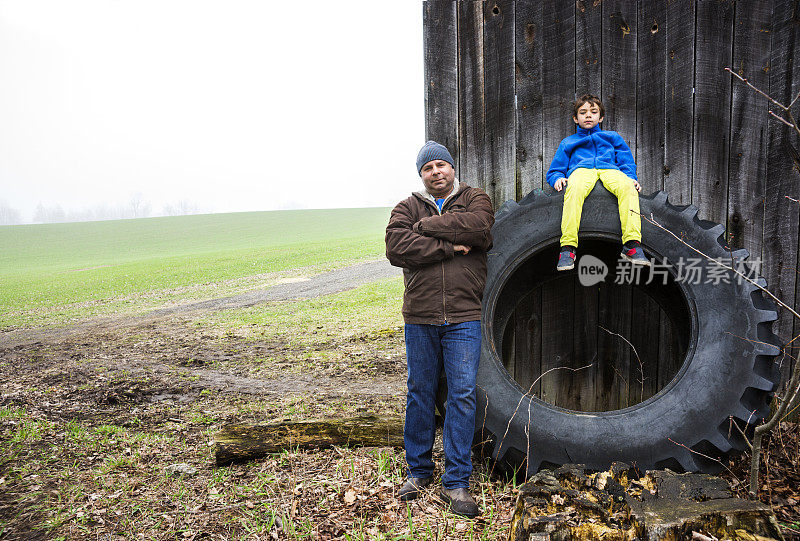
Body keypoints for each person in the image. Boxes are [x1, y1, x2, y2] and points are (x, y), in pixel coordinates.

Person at [385, 141, 494, 518]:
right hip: (420, 315)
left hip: (464, 315)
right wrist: (449, 246)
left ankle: (456, 482)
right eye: (428, 167)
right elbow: (397, 246)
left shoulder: (475, 197)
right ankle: (418, 472)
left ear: (451, 168)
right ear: (421, 175)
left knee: (461, 394)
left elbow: (479, 229)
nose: (436, 172)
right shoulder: (405, 207)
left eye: (441, 165)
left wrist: (428, 228)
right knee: (420, 392)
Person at [546, 94, 651, 271]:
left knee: (627, 187)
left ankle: (632, 244)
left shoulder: (612, 137)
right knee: (574, 188)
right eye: (583, 112)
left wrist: (631, 177)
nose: (588, 115)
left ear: (600, 117)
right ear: (575, 118)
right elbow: (555, 169)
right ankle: (568, 248)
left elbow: (626, 161)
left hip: (610, 170)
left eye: (593, 112)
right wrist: (557, 178)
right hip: (581, 170)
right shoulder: (569, 142)